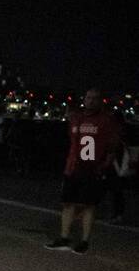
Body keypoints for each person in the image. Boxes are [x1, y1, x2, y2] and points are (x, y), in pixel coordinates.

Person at [46, 88, 122, 255]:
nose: (91, 101)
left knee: (89, 205)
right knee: (67, 203)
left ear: (101, 101)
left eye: (95, 98)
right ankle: (64, 238)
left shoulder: (106, 121)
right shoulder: (75, 118)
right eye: (88, 98)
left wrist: (102, 167)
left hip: (92, 169)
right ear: (84, 99)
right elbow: (72, 143)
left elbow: (112, 149)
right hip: (73, 168)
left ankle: (84, 241)